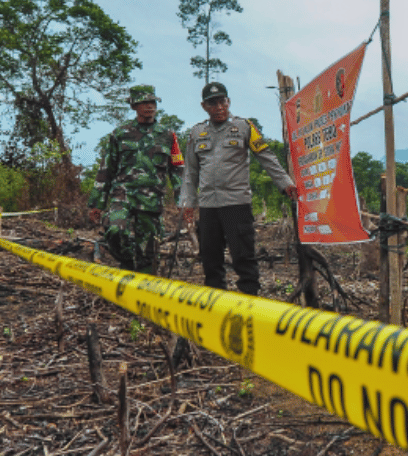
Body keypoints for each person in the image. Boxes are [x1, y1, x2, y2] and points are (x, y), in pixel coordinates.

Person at [179, 81, 300, 295]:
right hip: (208, 207)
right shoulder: (196, 133)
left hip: (237, 204)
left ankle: (250, 302)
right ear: (204, 106)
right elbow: (190, 172)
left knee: (244, 257)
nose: (219, 107)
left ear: (229, 102)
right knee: (210, 259)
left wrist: (286, 184)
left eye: (222, 101)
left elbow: (266, 157)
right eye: (213, 103)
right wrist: (188, 203)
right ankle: (215, 304)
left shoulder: (244, 127)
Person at [89, 85, 184, 272]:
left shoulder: (168, 135)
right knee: (114, 230)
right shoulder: (120, 134)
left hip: (151, 199)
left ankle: (142, 290)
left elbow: (178, 170)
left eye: (152, 102)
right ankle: (126, 261)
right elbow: (106, 168)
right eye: (144, 103)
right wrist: (96, 203)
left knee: (148, 257)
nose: (149, 106)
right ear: (134, 106)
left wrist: (184, 199)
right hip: (122, 195)